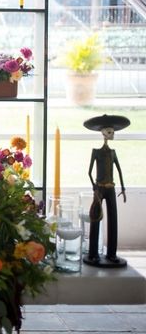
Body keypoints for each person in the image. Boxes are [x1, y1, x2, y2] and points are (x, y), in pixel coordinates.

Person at [82, 114, 130, 268]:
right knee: (96, 218)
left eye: (113, 132)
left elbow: (119, 170)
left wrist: (122, 188)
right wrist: (94, 186)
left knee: (113, 219)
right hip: (100, 187)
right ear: (102, 133)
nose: (112, 134)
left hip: (111, 187)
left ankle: (112, 254)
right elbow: (89, 171)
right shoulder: (96, 152)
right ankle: (93, 253)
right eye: (109, 132)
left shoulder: (113, 152)